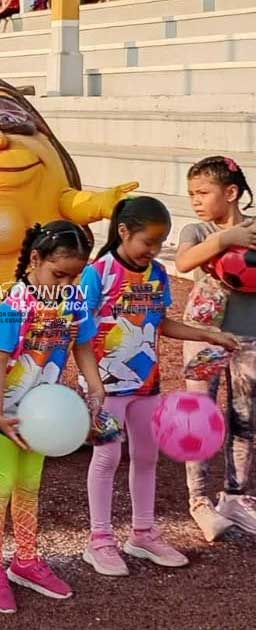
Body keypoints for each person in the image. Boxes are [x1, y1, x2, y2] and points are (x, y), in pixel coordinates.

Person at [79, 196, 239, 576]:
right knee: (106, 458)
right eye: (148, 242)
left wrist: (208, 335)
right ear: (123, 232)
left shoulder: (156, 274)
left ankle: (143, 532)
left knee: (147, 457)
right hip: (108, 388)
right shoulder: (96, 273)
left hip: (147, 385)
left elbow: (161, 322)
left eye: (160, 242)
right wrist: (93, 384)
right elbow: (80, 333)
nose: (153, 250)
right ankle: (99, 539)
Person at [0, 220, 106, 614]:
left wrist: (94, 384)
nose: (65, 283)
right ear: (36, 259)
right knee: (1, 483)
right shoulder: (14, 305)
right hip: (4, 408)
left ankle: (26, 561)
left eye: (73, 276)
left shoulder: (74, 301)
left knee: (29, 484)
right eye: (58, 273)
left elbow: (82, 345)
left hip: (43, 409)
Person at [176, 156, 256, 540]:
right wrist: (224, 240)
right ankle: (199, 501)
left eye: (203, 192)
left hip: (248, 339)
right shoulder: (197, 229)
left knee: (244, 419)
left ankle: (235, 497)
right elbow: (184, 262)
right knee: (200, 417)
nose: (195, 199)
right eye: (191, 193)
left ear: (231, 193)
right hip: (202, 337)